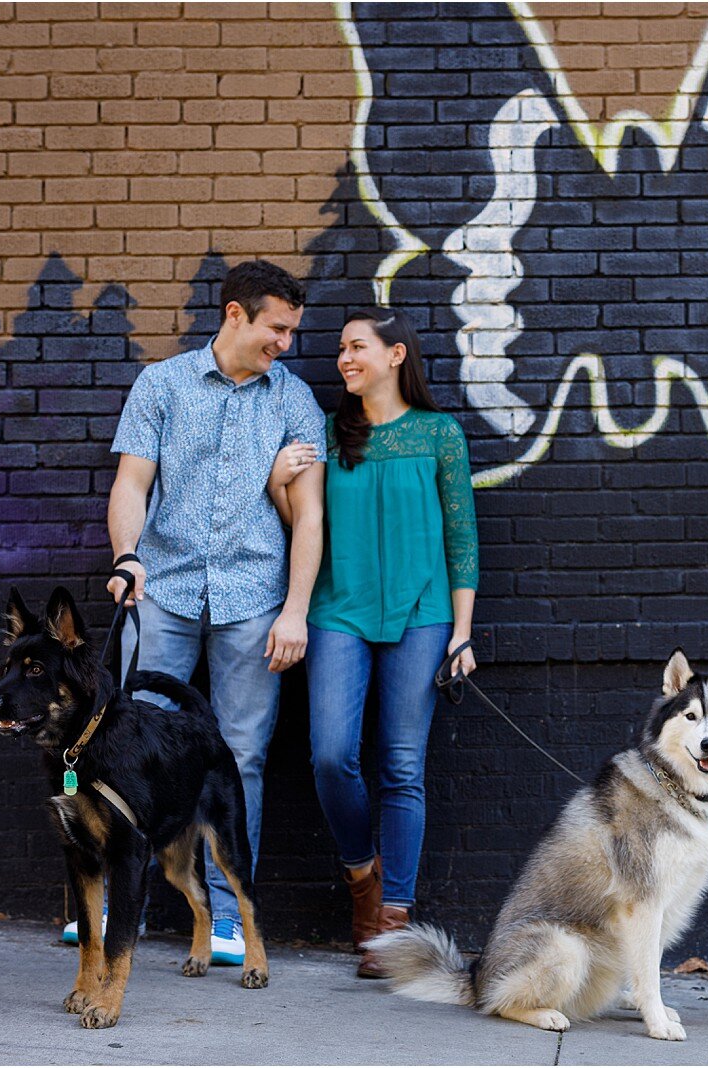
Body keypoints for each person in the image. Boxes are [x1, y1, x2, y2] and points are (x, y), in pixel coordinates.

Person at [91, 260, 327, 965]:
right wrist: (126, 556)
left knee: (242, 756)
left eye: (292, 330)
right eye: (276, 328)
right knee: (127, 747)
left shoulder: (295, 400)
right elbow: (132, 482)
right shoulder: (161, 386)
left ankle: (228, 919)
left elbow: (309, 515)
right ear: (234, 314)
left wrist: (295, 611)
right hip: (160, 589)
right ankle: (106, 907)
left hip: (254, 599)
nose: (285, 342)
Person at [268, 307, 478, 978]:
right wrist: (278, 482)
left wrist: (463, 633)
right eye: (339, 350)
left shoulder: (440, 433)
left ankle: (391, 924)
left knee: (402, 767)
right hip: (339, 610)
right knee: (331, 755)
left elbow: (462, 537)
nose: (343, 359)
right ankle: (363, 871)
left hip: (423, 615)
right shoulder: (329, 435)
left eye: (356, 347)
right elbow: (303, 524)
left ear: (395, 355)